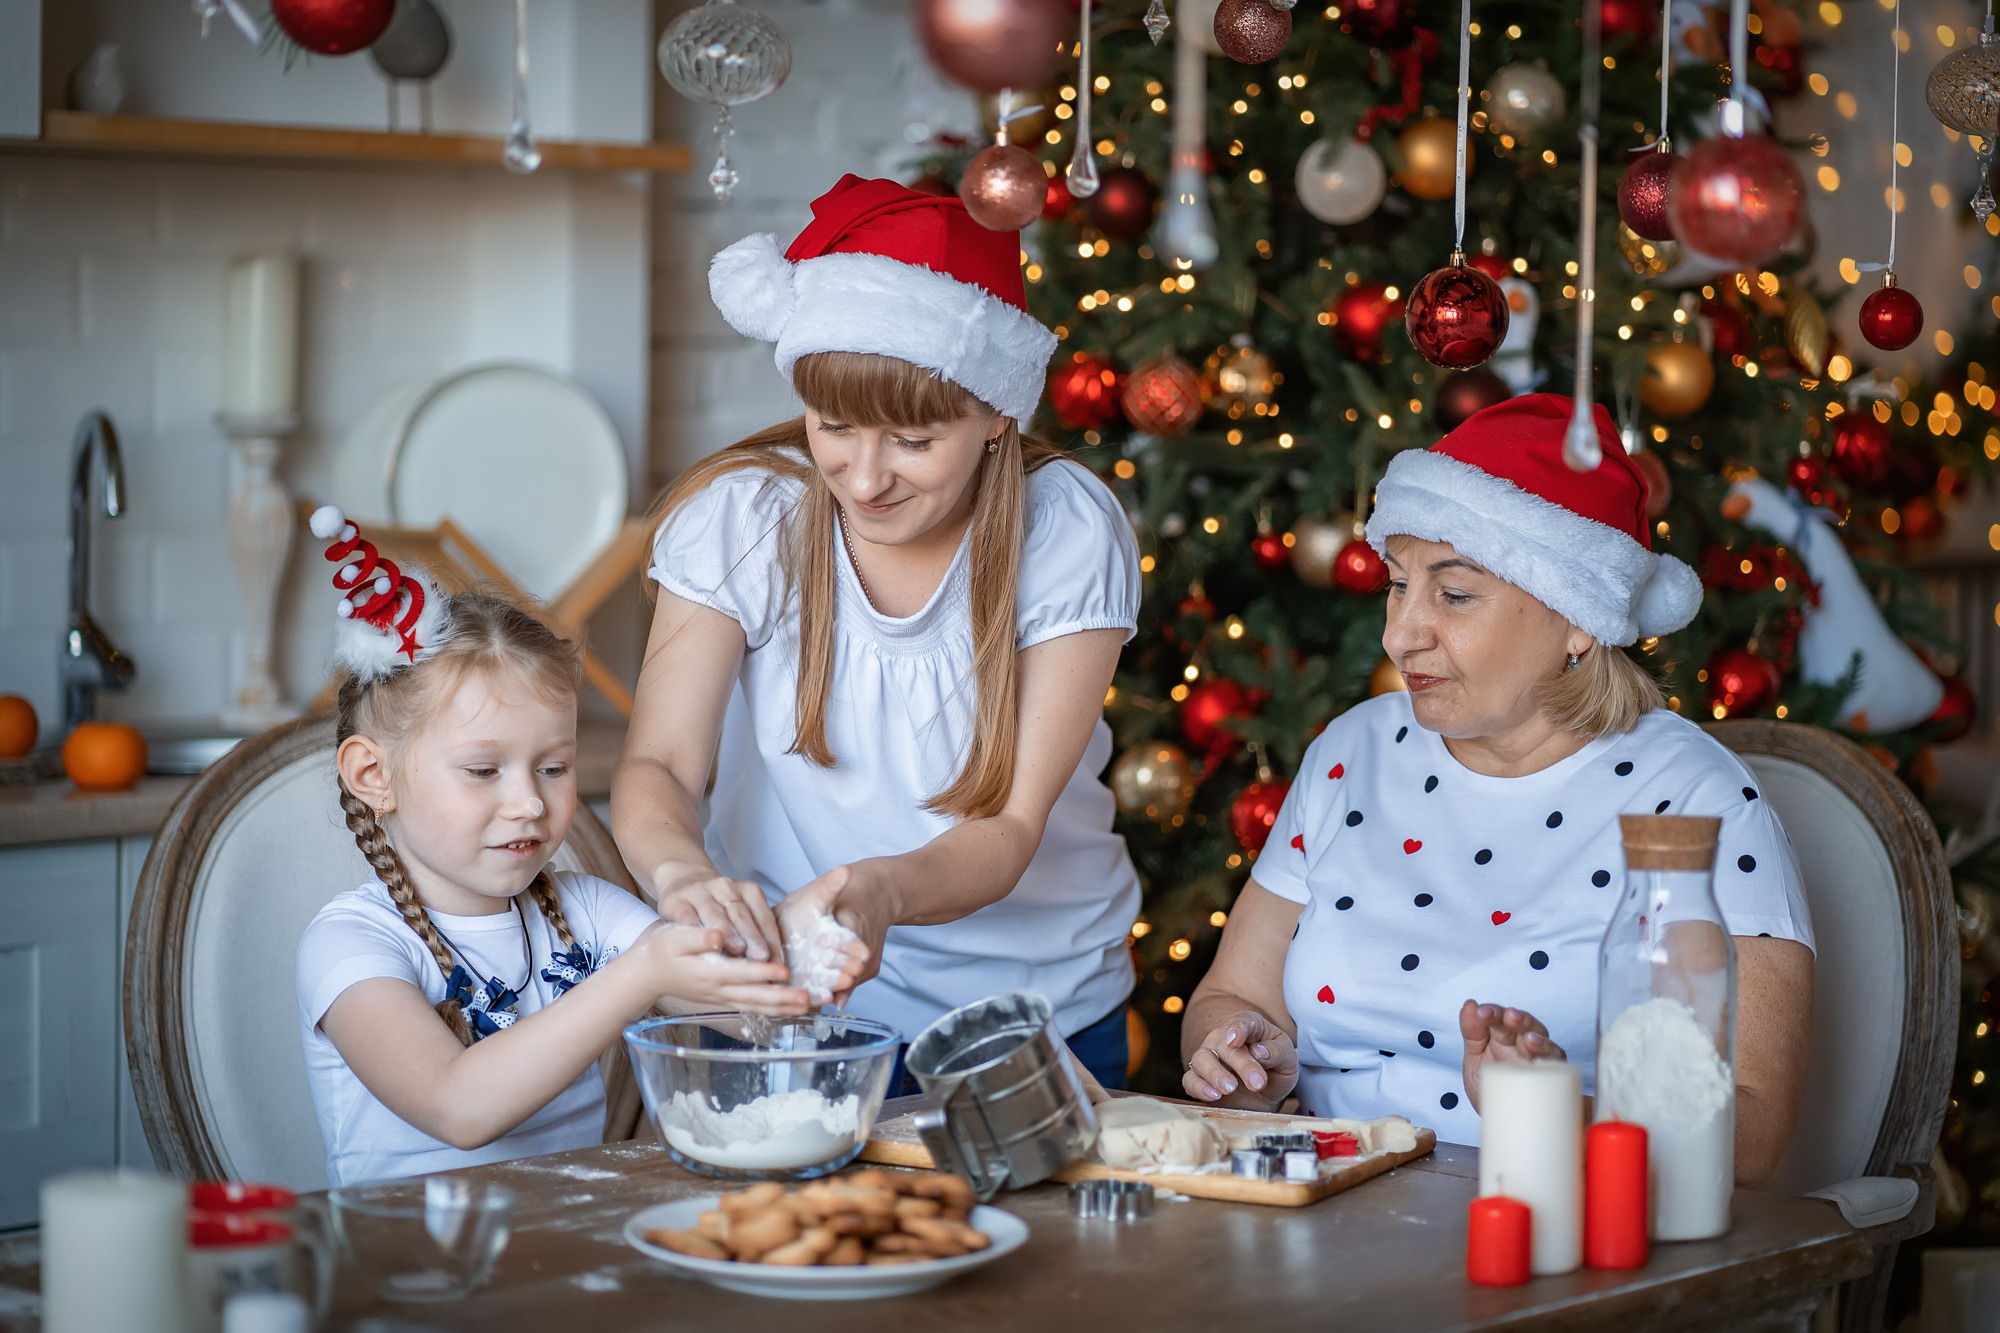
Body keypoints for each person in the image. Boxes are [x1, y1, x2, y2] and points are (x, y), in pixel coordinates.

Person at [1180, 395, 1816, 1186]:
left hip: (1555, 1232)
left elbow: (1755, 1129)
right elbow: (1234, 992)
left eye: (1453, 594)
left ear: (1578, 617)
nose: (1400, 633)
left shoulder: (1698, 803)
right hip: (1319, 1214)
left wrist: (1553, 1112)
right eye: (1397, 584)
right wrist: (1241, 1054)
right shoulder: (1352, 751)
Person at [611, 175, 1144, 1090]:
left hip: (1029, 1012)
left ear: (995, 416)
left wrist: (881, 892)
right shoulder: (746, 518)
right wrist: (680, 876)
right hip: (794, 1005)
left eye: (914, 440)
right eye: (837, 426)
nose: (863, 479)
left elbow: (1011, 826)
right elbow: (658, 765)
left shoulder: (1063, 528)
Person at [295, 507, 810, 1186]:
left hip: (566, 1248)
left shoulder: (588, 911)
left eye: (553, 767)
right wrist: (643, 976)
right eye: (485, 770)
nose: (531, 802)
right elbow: (459, 1106)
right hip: (407, 1272)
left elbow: (731, 1010)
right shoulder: (352, 945)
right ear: (374, 776)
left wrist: (790, 945)